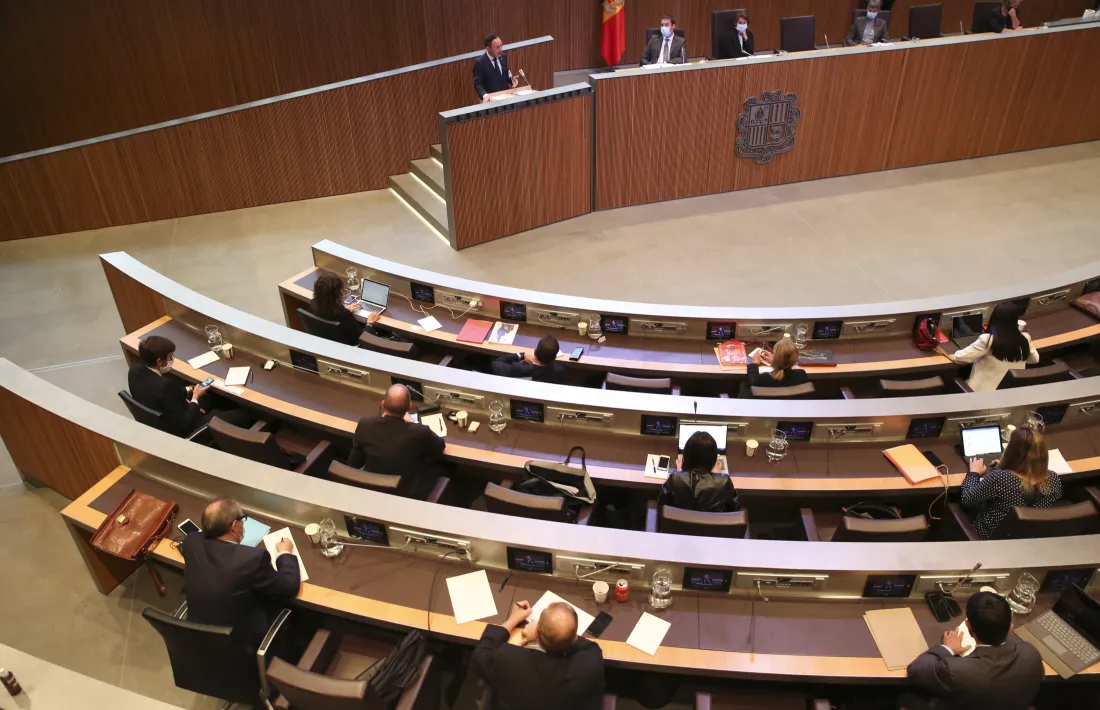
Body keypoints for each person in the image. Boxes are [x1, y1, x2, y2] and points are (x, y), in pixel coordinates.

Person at [180, 497, 301, 650]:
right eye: (243, 519)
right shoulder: (252, 559)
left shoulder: (191, 542)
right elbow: (290, 586)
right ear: (235, 526)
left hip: (200, 638)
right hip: (241, 642)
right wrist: (284, 552)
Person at [900, 591, 1043, 710]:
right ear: (1010, 627)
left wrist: (947, 648)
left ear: (968, 626)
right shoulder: (1032, 654)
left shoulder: (955, 670)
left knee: (906, 698)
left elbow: (915, 670)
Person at [472, 600, 605, 710]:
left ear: (537, 636)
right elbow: (590, 646)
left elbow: (480, 654)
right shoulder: (591, 665)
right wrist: (565, 634)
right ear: (574, 637)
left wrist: (513, 619)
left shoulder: (507, 659)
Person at [128, 335, 252, 437]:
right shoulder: (164, 386)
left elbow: (169, 396)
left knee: (211, 398)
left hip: (168, 416)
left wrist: (189, 389)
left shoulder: (134, 370)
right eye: (170, 357)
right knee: (245, 415)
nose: (172, 359)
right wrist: (195, 399)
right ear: (159, 361)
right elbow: (185, 422)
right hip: (186, 428)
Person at [346, 384, 446, 500]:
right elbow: (439, 446)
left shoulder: (365, 424)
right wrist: (414, 423)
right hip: (406, 493)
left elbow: (354, 463)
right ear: (409, 406)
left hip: (372, 491)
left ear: (383, 404)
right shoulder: (420, 431)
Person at [961, 426, 1062, 540]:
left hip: (990, 536)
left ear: (1011, 452)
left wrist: (973, 472)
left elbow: (966, 499)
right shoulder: (1053, 479)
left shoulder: (1000, 479)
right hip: (1025, 536)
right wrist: (1005, 468)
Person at [944, 301, 1039, 392]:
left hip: (980, 394)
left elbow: (959, 357)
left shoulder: (988, 340)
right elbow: (1035, 360)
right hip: (1009, 393)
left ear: (994, 318)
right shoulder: (1025, 338)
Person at [660, 431, 738, 512]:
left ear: (686, 456)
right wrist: (716, 476)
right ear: (713, 458)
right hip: (712, 523)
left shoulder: (675, 479)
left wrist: (681, 474)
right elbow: (734, 509)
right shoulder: (723, 482)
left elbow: (662, 505)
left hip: (679, 524)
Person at [309, 270, 388, 346]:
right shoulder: (344, 315)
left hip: (330, 340)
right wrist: (370, 323)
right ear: (337, 294)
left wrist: (347, 309)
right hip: (353, 346)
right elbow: (361, 338)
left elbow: (331, 313)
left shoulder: (313, 303)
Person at [740, 338, 808, 397]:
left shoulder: (765, 378)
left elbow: (753, 382)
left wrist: (754, 364)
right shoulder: (802, 375)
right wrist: (775, 362)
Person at [491, 334, 565, 384]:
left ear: (535, 351)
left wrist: (521, 355)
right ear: (554, 358)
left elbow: (496, 363)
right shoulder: (558, 371)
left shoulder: (517, 368)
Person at [473, 34, 517, 102]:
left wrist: (511, 80)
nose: (500, 49)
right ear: (488, 48)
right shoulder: (480, 62)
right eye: (497, 47)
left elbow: (505, 72)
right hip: (491, 100)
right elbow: (477, 83)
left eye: (501, 46)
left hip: (506, 97)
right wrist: (484, 95)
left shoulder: (503, 56)